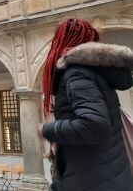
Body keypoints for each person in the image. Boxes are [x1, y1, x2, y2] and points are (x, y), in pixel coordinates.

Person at [38, 18, 133, 190]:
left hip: (93, 180)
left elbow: (95, 125)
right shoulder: (92, 73)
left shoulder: (77, 74)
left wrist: (49, 129)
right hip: (106, 175)